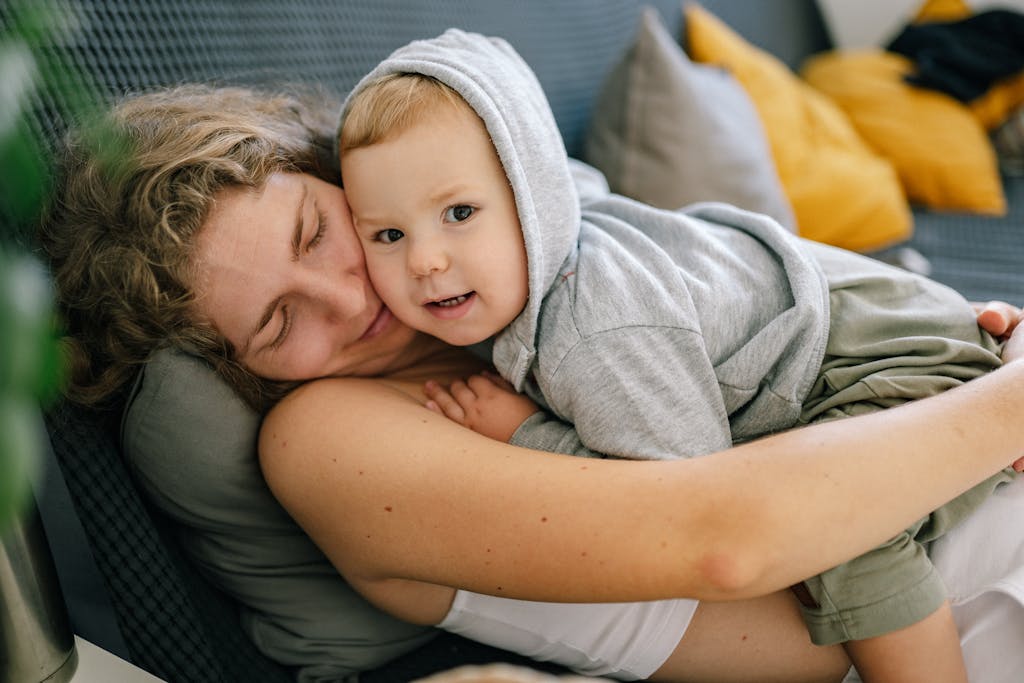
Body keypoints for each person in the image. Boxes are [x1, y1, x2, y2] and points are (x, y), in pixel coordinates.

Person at [39, 78, 1024, 683]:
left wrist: (964, 352)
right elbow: (729, 540)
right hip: (946, 605)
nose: (346, 300)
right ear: (232, 370)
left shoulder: (509, 272)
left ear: (336, 170)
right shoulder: (329, 435)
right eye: (276, 322)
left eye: (316, 233)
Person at [335, 30, 1017, 682]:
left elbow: (682, 488)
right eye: (388, 233)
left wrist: (526, 432)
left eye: (458, 213)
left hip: (872, 358)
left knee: (849, 538)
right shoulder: (551, 231)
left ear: (533, 191)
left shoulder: (593, 325)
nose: (423, 261)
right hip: (861, 316)